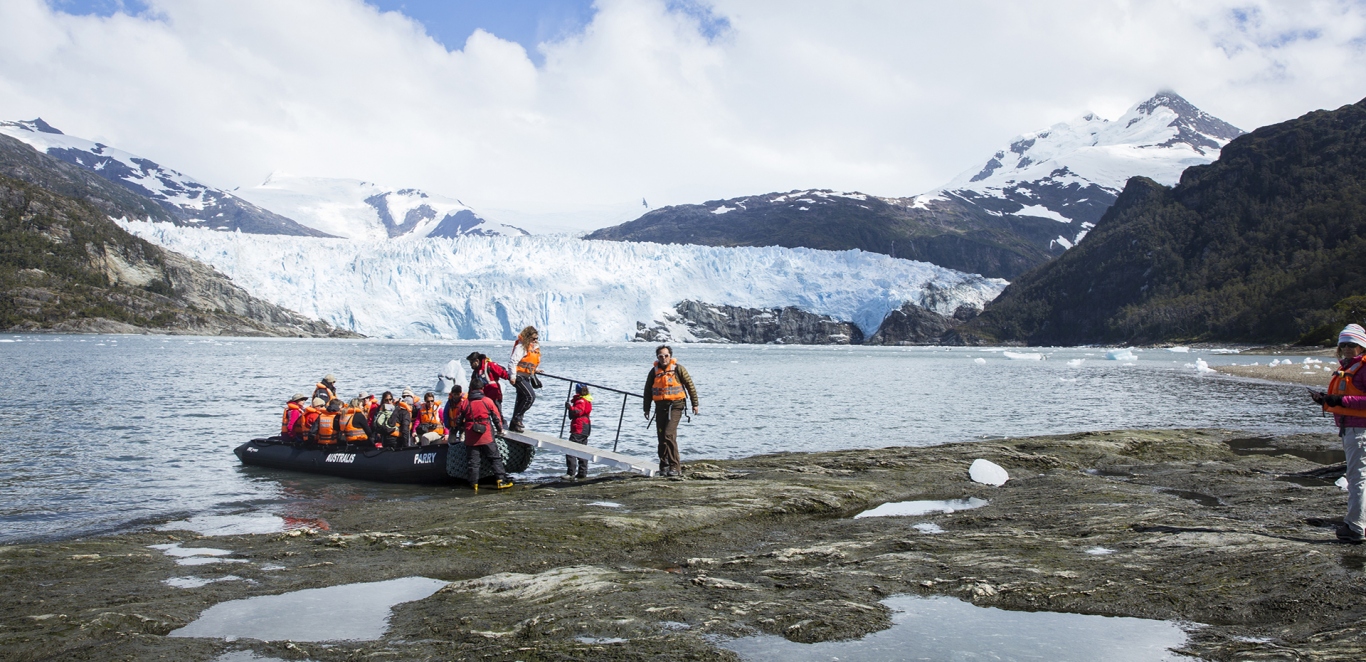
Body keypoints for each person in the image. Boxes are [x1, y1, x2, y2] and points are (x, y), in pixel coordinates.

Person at [1311, 323, 1366, 544]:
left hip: (1360, 430)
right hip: (1352, 429)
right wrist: (1326, 400)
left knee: (1357, 478)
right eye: (1343, 345)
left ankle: (1355, 528)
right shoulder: (1351, 367)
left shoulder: (1362, 368)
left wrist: (1339, 400)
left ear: (1362, 346)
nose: (1347, 348)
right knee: (1359, 477)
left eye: (1352, 344)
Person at [642, 344, 699, 477]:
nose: (663, 358)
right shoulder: (653, 371)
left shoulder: (678, 369)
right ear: (657, 357)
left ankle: (675, 467)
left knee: (669, 434)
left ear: (670, 356)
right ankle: (664, 466)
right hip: (660, 407)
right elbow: (647, 390)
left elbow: (690, 386)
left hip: (676, 406)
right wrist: (646, 408)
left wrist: (694, 404)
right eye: (660, 356)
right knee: (662, 437)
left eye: (666, 355)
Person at [456, 381, 512, 492]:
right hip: (486, 435)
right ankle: (501, 481)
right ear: (482, 389)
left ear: (471, 389)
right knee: (495, 458)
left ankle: (474, 484)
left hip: (471, 435)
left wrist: (462, 428)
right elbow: (496, 418)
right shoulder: (487, 401)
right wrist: (500, 429)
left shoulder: (465, 403)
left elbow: (458, 420)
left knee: (473, 461)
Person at [508, 326, 542, 432]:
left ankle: (515, 425)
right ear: (528, 337)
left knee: (521, 399)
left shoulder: (533, 348)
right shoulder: (521, 347)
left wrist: (535, 370)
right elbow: (513, 362)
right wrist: (512, 376)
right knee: (530, 396)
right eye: (533, 338)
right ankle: (517, 419)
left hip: (526, 376)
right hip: (518, 376)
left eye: (536, 338)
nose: (535, 340)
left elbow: (529, 362)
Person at [467, 352, 511, 425]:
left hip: (494, 395)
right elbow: (472, 386)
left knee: (497, 414)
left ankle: (502, 427)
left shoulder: (490, 365)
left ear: (477, 361)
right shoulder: (475, 373)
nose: (470, 365)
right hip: (483, 398)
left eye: (471, 362)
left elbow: (504, 374)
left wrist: (514, 379)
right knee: (484, 415)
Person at [564, 384, 593, 481]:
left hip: (579, 427)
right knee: (582, 449)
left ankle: (570, 473)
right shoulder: (587, 400)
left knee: (570, 449)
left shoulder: (581, 400)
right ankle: (582, 472)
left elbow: (578, 411)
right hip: (586, 426)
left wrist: (570, 408)